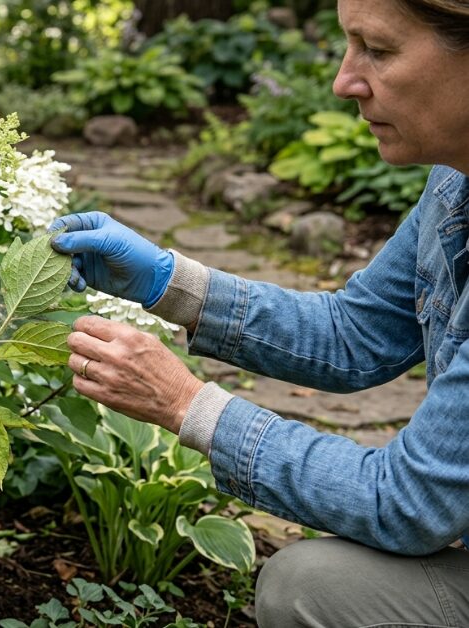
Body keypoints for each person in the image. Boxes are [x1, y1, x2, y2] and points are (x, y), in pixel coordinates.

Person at [49, 0, 469, 625]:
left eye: (377, 50)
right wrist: (171, 283)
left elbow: (407, 502)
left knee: (311, 589)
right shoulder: (454, 181)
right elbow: (356, 333)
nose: (344, 80)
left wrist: (185, 404)